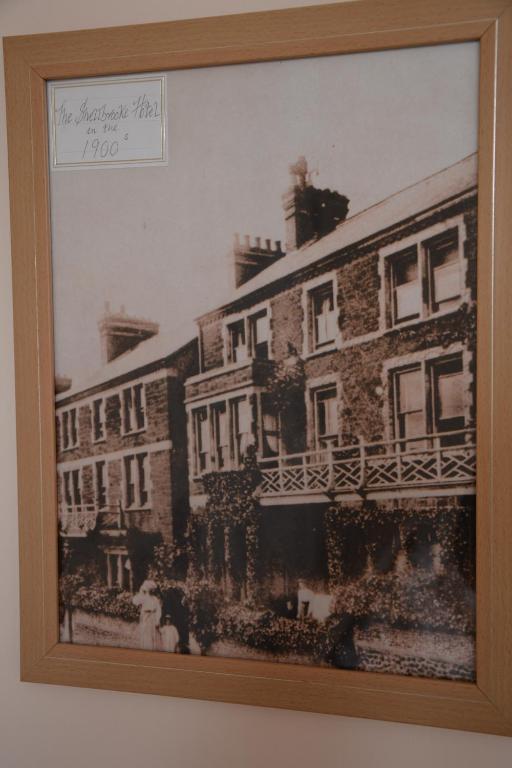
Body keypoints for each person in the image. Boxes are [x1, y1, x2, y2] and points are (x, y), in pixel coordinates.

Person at [132, 579, 162, 651]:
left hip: (153, 618)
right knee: (146, 634)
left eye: (152, 589)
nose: (151, 591)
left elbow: (158, 610)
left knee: (154, 635)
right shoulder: (143, 597)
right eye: (150, 589)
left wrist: (157, 620)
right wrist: (141, 592)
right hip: (146, 618)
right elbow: (135, 601)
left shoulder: (155, 599)